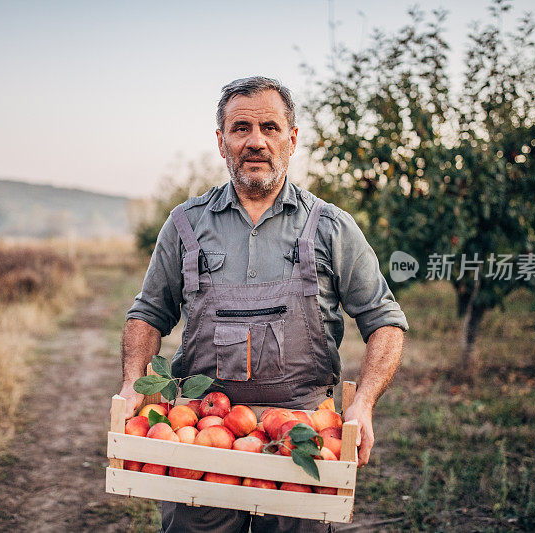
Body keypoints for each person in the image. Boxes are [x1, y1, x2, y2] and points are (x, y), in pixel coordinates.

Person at [117, 76, 408, 532]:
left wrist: (364, 403)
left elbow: (385, 320)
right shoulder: (184, 225)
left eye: (270, 128)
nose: (256, 141)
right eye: (241, 128)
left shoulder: (332, 228)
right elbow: (148, 313)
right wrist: (134, 381)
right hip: (200, 432)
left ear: (292, 140)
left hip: (304, 438)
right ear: (221, 141)